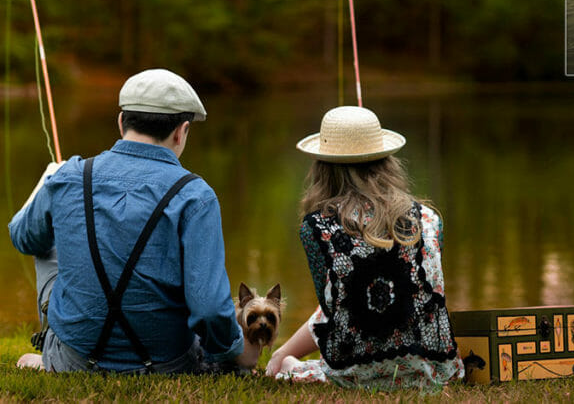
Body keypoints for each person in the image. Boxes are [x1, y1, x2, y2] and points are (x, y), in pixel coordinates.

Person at [9, 69, 260, 373]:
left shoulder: (69, 175)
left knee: (47, 245)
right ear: (181, 131)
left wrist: (49, 183)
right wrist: (236, 353)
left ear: (120, 122)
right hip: (167, 364)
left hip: (75, 361)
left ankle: (49, 357)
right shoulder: (196, 196)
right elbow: (208, 310)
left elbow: (23, 237)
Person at [265, 106, 464, 389]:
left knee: (291, 365)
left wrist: (285, 354)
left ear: (322, 167)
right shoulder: (429, 219)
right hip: (436, 370)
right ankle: (285, 357)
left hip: (354, 376)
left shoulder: (317, 228)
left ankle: (285, 360)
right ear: (386, 162)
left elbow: (334, 309)